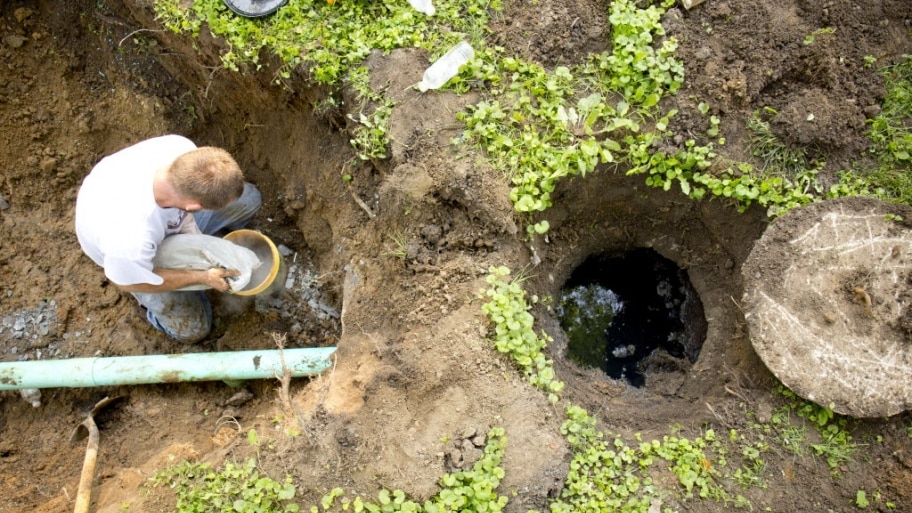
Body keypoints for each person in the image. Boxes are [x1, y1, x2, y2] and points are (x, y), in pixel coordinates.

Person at [75, 134, 262, 343]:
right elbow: (128, 282)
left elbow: (190, 205)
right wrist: (202, 277)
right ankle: (151, 305)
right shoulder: (130, 239)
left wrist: (195, 237)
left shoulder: (179, 148)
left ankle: (206, 239)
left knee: (249, 199)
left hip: (161, 220)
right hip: (135, 263)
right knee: (194, 331)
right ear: (194, 206)